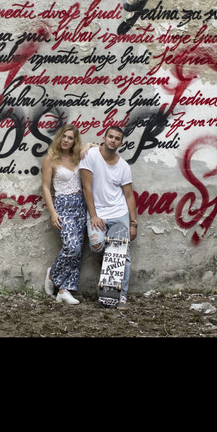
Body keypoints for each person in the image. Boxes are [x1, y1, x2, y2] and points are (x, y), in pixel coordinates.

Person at [79, 126, 138, 309]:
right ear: (104, 138)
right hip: (98, 214)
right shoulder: (91, 155)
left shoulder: (123, 166)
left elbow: (129, 195)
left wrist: (133, 223)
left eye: (117, 138)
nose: (113, 140)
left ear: (121, 143)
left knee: (122, 255)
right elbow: (87, 188)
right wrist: (93, 215)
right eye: (110, 137)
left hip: (119, 213)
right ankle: (109, 266)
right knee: (97, 245)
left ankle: (121, 296)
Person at [41, 124, 88, 304]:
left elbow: (99, 148)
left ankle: (64, 291)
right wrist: (53, 212)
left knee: (78, 251)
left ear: (75, 141)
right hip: (62, 205)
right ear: (59, 137)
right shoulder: (50, 159)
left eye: (70, 138)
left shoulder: (78, 157)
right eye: (64, 136)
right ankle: (52, 274)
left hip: (80, 205)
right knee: (72, 247)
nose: (66, 140)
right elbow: (46, 187)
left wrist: (88, 145)